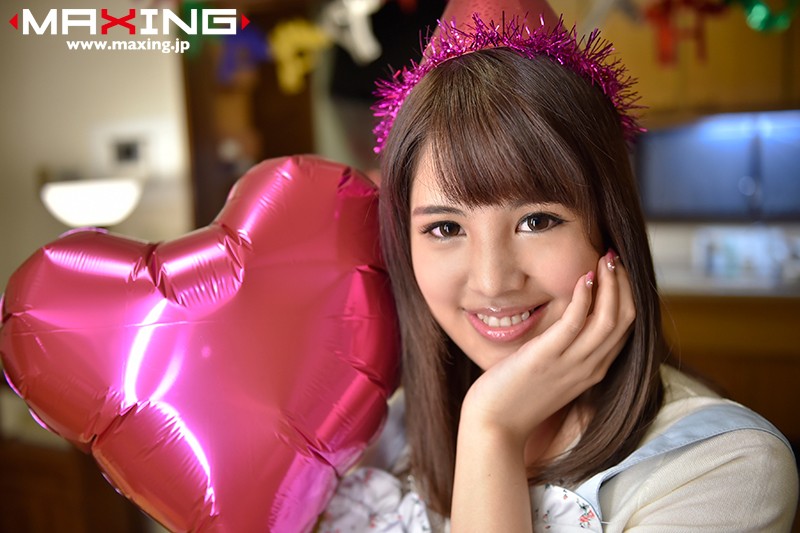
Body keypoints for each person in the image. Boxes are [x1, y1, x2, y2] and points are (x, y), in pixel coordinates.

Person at [318, 0, 799, 530]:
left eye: (537, 221)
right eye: (446, 228)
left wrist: (492, 430)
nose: (492, 281)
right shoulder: (371, 436)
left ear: (610, 227)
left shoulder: (722, 470)